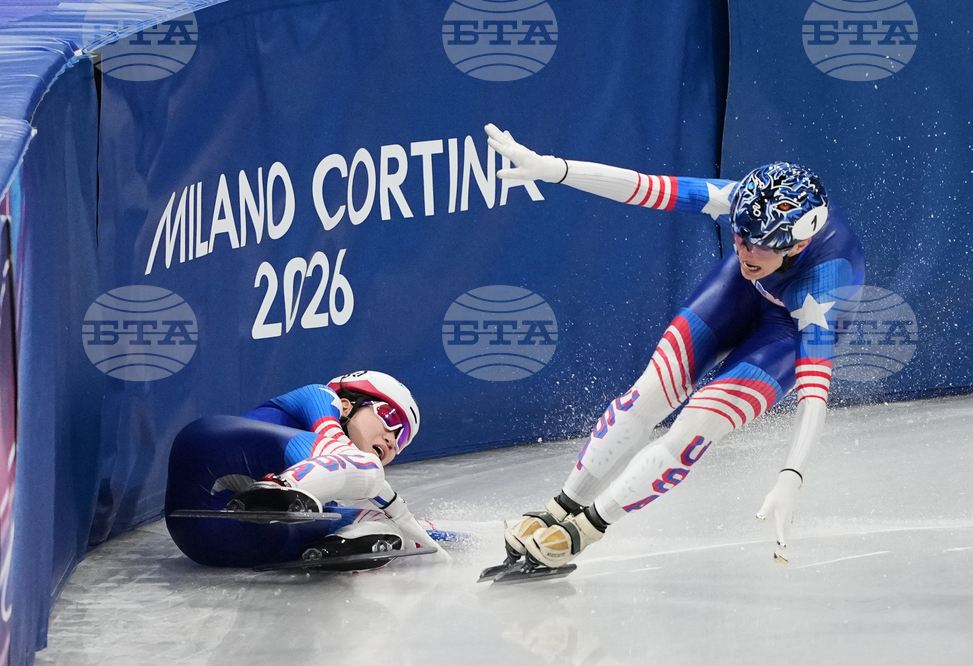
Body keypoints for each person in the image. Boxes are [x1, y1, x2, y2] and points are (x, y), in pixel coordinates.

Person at [484, 123, 865, 570]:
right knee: (648, 394)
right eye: (739, 234)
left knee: (694, 426)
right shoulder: (747, 209)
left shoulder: (826, 280)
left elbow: (814, 392)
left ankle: (585, 529)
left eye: (760, 246)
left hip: (790, 328)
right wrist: (556, 170)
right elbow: (647, 189)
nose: (745, 250)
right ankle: (561, 506)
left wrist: (790, 476)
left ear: (798, 244)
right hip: (742, 293)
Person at [164, 370, 442, 570]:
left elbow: (415, 529)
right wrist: (366, 470)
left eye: (402, 439)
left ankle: (334, 548)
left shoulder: (331, 476)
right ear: (347, 405)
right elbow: (330, 435)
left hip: (211, 541)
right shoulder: (322, 397)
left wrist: (474, 538)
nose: (392, 440)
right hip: (211, 453)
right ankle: (279, 490)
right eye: (390, 417)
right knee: (364, 472)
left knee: (384, 525)